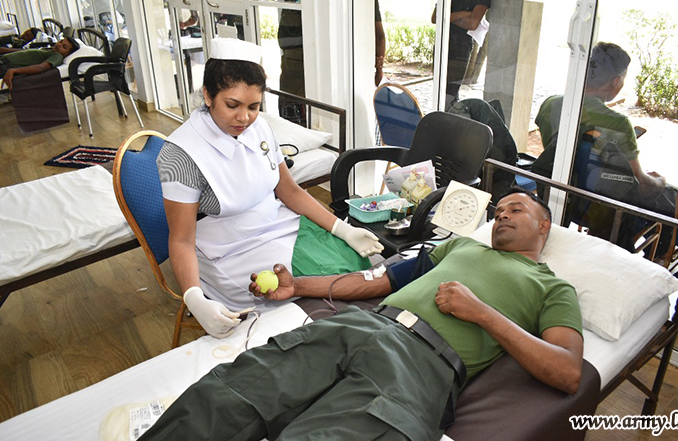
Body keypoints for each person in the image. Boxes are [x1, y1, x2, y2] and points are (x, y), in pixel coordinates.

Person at [139, 188, 583, 440]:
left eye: (516, 210)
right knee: (230, 395)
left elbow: (567, 372)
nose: (502, 216)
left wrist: (481, 313)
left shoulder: (552, 288)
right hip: (362, 325)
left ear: (544, 225)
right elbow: (380, 280)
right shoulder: (459, 246)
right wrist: (299, 287)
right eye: (499, 210)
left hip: (419, 368)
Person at [157, 37, 383, 339]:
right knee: (321, 294)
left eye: (254, 106)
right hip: (230, 249)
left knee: (354, 268)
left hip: (280, 223)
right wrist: (193, 297)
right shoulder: (181, 154)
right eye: (232, 105)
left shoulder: (260, 127)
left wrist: (343, 229)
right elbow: (181, 240)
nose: (244, 117)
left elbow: (289, 190)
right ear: (208, 95)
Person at [532, 42, 676, 252]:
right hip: (600, 207)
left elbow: (556, 150)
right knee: (672, 196)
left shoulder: (551, 104)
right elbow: (639, 183)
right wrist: (659, 181)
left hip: (561, 194)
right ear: (616, 81)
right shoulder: (618, 123)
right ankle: (660, 257)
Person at [432, 0, 491, 108]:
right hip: (441, 43)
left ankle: (449, 115)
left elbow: (472, 24)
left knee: (451, 93)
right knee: (439, 89)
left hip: (461, 48)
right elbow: (435, 18)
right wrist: (463, 14)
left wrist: (446, 17)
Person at [0, 37, 79, 90]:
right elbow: (25, 52)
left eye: (64, 47)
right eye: (61, 42)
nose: (59, 45)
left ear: (67, 54)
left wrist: (13, 70)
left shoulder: (57, 56)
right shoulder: (49, 50)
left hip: (4, 66)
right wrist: (6, 50)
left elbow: (41, 67)